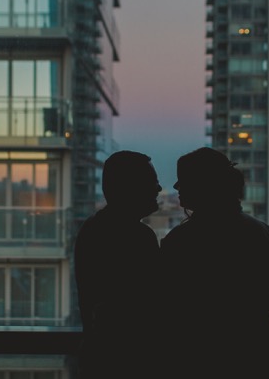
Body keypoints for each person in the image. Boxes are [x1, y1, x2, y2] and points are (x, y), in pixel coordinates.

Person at [160, 147, 269, 379]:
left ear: (202, 186)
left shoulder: (181, 241)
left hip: (198, 358)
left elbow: (167, 303)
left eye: (184, 181)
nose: (176, 187)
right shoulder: (261, 233)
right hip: (257, 355)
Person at [73, 150, 163, 379]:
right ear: (131, 187)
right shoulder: (138, 236)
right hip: (130, 360)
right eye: (151, 182)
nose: (158, 188)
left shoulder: (93, 228)